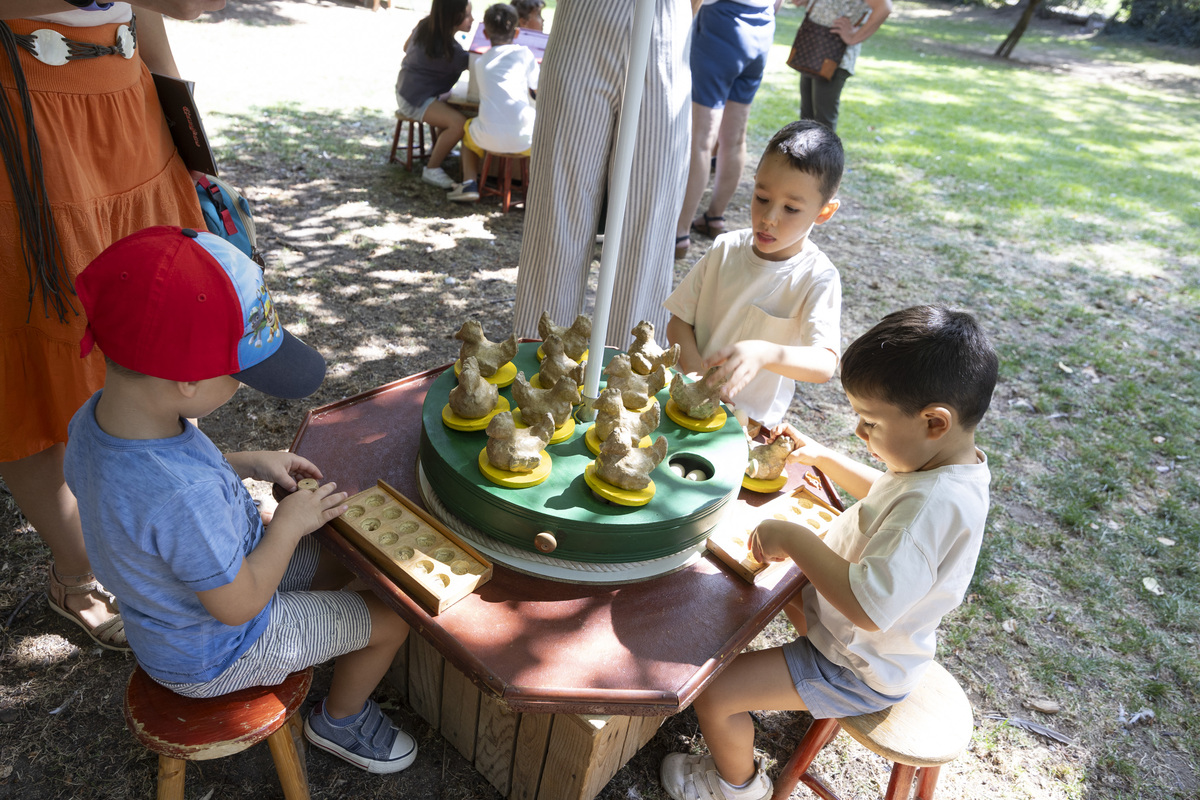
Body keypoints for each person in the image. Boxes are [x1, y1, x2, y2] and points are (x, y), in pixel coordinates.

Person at [63, 226, 418, 774]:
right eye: (238, 375)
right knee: (391, 619)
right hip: (220, 649)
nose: (241, 386)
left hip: (177, 620)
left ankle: (312, 630)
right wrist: (287, 526)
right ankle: (340, 720)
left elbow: (147, 494)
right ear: (186, 379)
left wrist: (247, 461)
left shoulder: (97, 422)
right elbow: (237, 605)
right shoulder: (185, 497)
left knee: (334, 548)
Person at [660, 304, 999, 800]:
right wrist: (821, 456)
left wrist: (795, 540)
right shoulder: (943, 466)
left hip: (855, 664)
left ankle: (735, 786)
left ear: (933, 422)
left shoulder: (931, 507)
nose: (860, 434)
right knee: (750, 592)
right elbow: (887, 488)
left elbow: (865, 609)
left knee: (715, 697)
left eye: (869, 423)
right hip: (858, 638)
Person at [1, 0, 222, 652]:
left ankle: (168, 534)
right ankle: (75, 576)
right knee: (38, 365)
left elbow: (153, 13)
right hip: (24, 124)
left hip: (130, 113)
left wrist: (186, 133)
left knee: (166, 344)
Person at [511, 0, 692, 348]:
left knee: (648, 223)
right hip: (585, 17)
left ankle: (627, 384)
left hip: (666, 23)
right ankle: (540, 381)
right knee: (557, 213)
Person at [664, 121, 843, 429]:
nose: (769, 219)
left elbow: (824, 364)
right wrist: (697, 378)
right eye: (762, 198)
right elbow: (679, 322)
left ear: (823, 212)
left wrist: (765, 353)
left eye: (790, 209)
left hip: (749, 424)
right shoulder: (725, 248)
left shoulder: (818, 277)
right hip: (685, 402)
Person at [674, 0, 782, 260]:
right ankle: (715, 216)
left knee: (701, 139)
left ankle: (680, 232)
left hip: (722, 23)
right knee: (735, 138)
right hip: (763, 24)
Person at [448, 3, 539, 203]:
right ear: (516, 32)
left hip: (487, 139)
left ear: (486, 33)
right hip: (526, 140)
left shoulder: (481, 63)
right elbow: (537, 88)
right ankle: (536, 189)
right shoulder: (525, 55)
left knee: (467, 129)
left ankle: (470, 182)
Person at [395, 0, 474, 189]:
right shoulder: (453, 53)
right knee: (458, 123)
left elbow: (406, 47)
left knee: (452, 106)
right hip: (415, 99)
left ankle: (440, 150)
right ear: (454, 17)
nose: (472, 19)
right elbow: (475, 65)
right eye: (468, 15)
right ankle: (432, 168)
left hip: (406, 88)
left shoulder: (425, 25)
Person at [793, 0, 891, 132]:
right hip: (812, 47)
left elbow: (884, 8)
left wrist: (854, 37)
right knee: (806, 121)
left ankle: (823, 153)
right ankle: (804, 153)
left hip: (834, 56)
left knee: (822, 126)